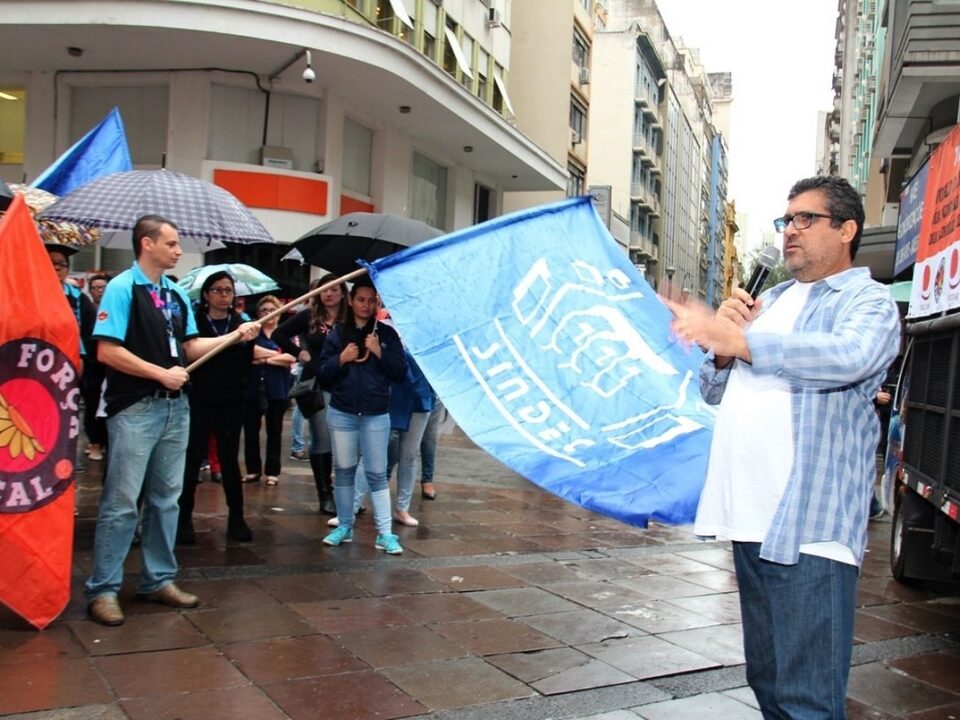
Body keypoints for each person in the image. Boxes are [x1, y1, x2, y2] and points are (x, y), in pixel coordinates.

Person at [666, 176, 900, 719]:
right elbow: (711, 388)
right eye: (786, 220)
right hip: (748, 519)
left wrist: (742, 341)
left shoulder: (866, 299)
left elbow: (851, 357)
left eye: (805, 219)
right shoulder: (766, 299)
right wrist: (722, 348)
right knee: (768, 683)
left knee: (807, 700)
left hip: (809, 528)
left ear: (846, 230)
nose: (790, 231)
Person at [84, 215, 260, 627]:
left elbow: (191, 346)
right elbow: (106, 351)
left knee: (167, 499)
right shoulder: (122, 288)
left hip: (175, 408)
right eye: (173, 243)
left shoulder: (176, 296)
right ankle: (103, 589)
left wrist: (235, 336)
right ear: (147, 244)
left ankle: (158, 579)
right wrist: (159, 373)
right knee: (122, 503)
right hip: (135, 409)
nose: (179, 251)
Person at [317, 276, 407, 554]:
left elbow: (400, 373)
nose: (366, 305)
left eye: (372, 300)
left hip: (376, 414)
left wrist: (379, 351)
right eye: (361, 299)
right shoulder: (337, 334)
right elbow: (323, 376)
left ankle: (385, 533)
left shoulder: (387, 335)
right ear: (351, 301)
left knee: (377, 473)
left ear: (377, 302)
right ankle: (344, 525)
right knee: (343, 471)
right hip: (342, 412)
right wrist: (340, 359)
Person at [177, 270, 256, 545]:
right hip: (199, 399)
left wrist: (245, 339)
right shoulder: (195, 323)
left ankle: (237, 517)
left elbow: (245, 364)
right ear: (207, 295)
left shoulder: (242, 324)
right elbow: (188, 353)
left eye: (228, 290)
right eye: (218, 290)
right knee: (192, 457)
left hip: (231, 401)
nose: (224, 295)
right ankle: (183, 518)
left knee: (230, 460)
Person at [274, 274, 347, 514]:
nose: (329, 294)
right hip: (317, 383)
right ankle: (324, 494)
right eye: (325, 289)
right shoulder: (310, 316)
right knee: (322, 438)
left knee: (346, 441)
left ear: (343, 293)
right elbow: (278, 334)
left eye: (334, 289)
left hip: (345, 383)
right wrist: (299, 353)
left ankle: (345, 493)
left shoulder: (349, 318)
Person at [243, 295, 296, 486]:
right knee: (250, 429)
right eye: (264, 310)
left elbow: (291, 357)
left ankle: (272, 472)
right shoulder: (253, 333)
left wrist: (264, 359)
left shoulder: (285, 333)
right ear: (258, 314)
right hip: (253, 386)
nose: (268, 314)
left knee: (275, 430)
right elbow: (250, 354)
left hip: (277, 388)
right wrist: (275, 355)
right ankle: (253, 469)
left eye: (272, 310)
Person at [387, 351, 434, 527]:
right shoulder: (394, 331)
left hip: (420, 399)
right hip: (396, 396)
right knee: (384, 452)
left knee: (409, 454)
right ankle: (359, 502)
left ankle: (402, 507)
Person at [83, 273, 111, 462]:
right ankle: (94, 443)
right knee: (92, 404)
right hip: (92, 364)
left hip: (111, 365)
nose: (100, 291)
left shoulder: (114, 307)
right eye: (96, 287)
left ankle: (106, 441)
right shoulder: (86, 307)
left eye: (103, 287)